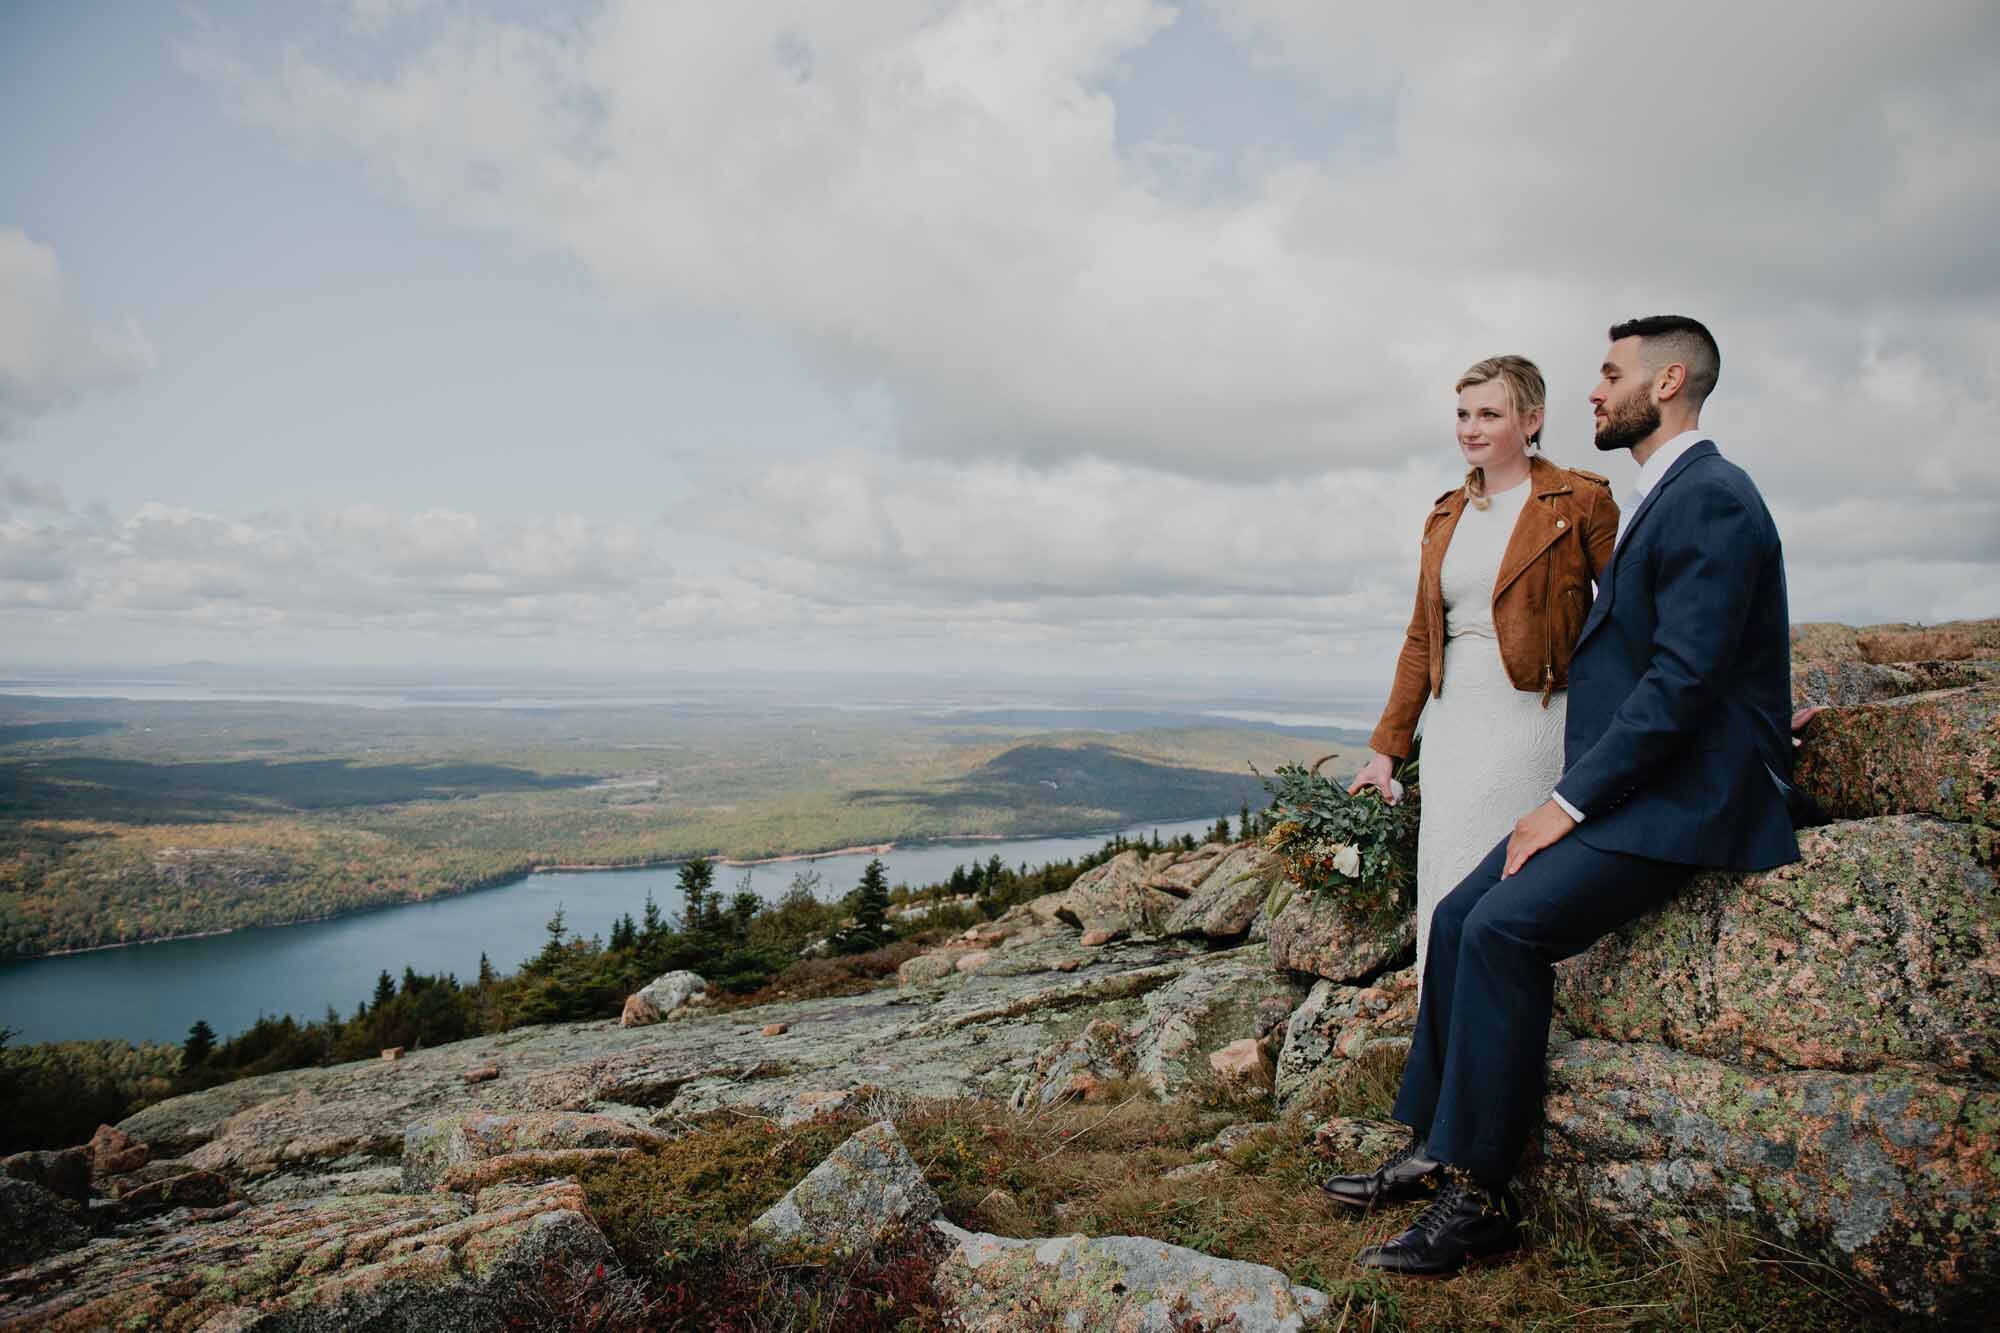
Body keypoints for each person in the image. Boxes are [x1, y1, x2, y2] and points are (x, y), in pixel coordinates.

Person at [1323, 315, 1800, 1278]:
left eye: (1610, 374)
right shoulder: (1664, 494)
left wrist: (1566, 803)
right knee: (1459, 913)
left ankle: (1481, 1199)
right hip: (1643, 784)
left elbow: (1685, 679)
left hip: (1689, 802)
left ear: (1667, 382)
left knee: (1503, 930)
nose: (1594, 390)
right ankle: (1435, 1139)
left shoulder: (1708, 497)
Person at [1348, 355, 1618, 987]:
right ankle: (1441, 1023)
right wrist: (1386, 750)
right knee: (1446, 865)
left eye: (1489, 414)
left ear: (1533, 419)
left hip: (1536, 713)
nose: (1471, 429)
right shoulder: (1446, 514)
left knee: (1510, 869)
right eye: (1464, 414)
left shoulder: (1580, 501)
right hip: (1453, 721)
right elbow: (1421, 637)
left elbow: (1631, 617)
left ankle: (1512, 1012)